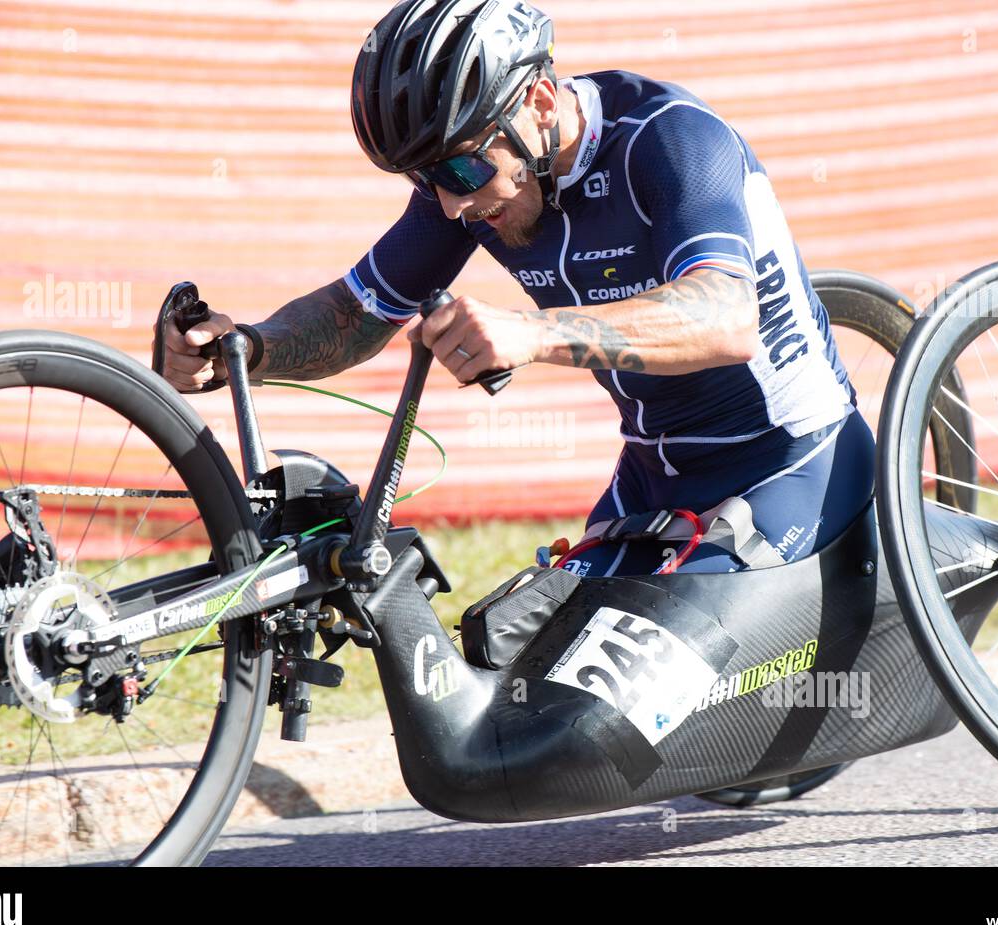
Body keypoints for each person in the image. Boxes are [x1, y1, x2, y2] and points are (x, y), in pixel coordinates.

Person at [158, 0, 875, 576]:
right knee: (518, 686)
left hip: (790, 462)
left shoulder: (669, 141)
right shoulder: (483, 181)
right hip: (654, 478)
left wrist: (534, 334)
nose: (447, 204)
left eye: (459, 172)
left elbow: (726, 317)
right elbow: (356, 313)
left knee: (617, 724)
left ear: (536, 101)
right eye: (423, 179)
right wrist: (247, 350)